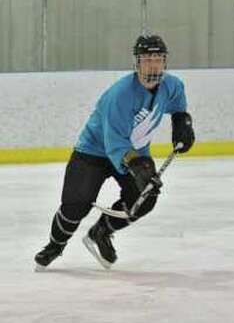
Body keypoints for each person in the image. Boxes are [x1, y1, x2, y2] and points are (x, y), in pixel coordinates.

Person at [33, 35, 194, 271]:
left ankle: (101, 232)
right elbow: (115, 143)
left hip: (135, 153)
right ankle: (55, 246)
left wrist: (182, 122)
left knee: (145, 198)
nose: (153, 64)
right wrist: (138, 166)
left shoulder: (172, 86)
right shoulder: (120, 95)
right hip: (94, 152)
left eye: (158, 59)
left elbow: (178, 103)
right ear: (137, 63)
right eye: (147, 59)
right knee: (76, 205)